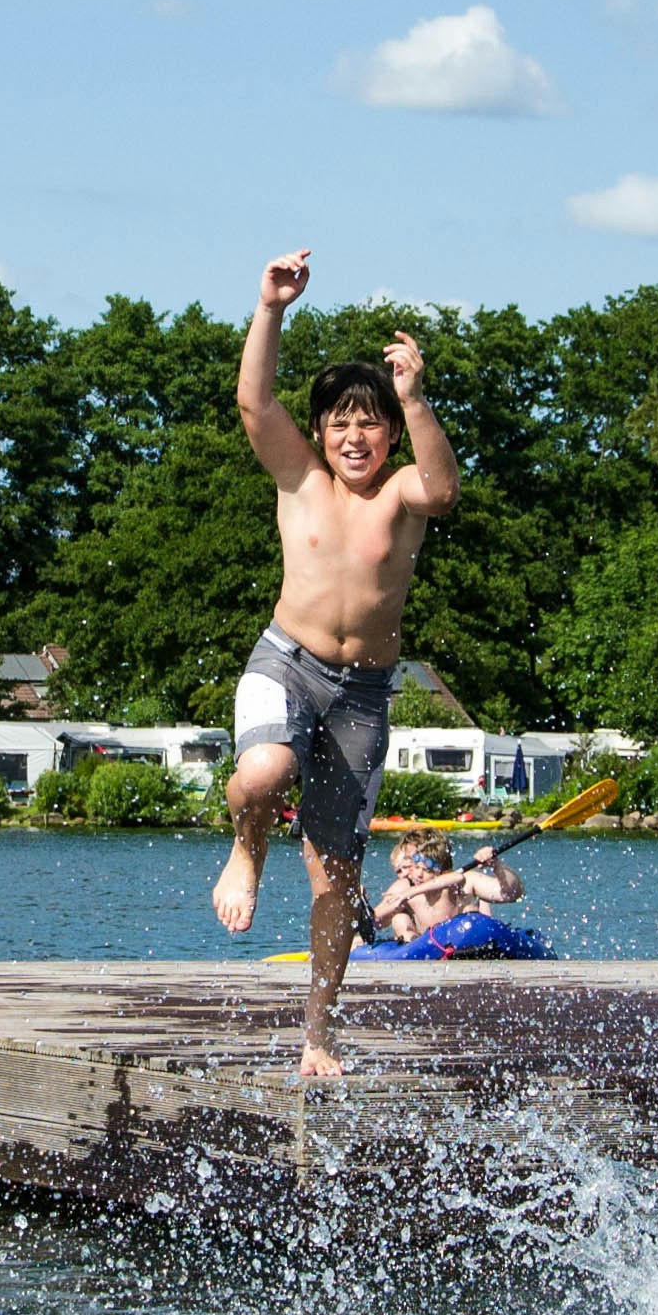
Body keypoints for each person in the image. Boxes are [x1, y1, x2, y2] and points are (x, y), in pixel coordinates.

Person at [207, 246, 460, 1074]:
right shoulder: (301, 479)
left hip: (363, 696)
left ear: (390, 431)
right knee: (263, 769)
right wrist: (270, 305)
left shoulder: (401, 496)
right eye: (340, 423)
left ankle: (317, 1035)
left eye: (372, 421)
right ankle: (246, 847)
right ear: (319, 433)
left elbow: (444, 484)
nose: (356, 436)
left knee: (339, 880)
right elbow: (253, 401)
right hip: (285, 662)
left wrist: (416, 396)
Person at [369, 834, 527, 950]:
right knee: (399, 918)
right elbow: (375, 922)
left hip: (465, 944)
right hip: (424, 950)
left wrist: (496, 865)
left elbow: (511, 893)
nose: (412, 870)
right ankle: (411, 945)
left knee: (471, 911)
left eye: (413, 860)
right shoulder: (403, 887)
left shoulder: (464, 881)